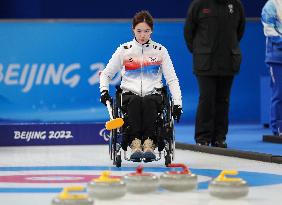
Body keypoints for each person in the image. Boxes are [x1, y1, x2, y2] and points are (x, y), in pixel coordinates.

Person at [99, 10, 182, 160]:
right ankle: (135, 143)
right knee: (135, 101)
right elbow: (106, 74)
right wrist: (104, 91)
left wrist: (177, 103)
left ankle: (150, 143)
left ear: (152, 31)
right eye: (139, 31)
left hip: (154, 94)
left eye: (146, 31)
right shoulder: (124, 50)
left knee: (149, 101)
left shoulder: (160, 51)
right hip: (130, 93)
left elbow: (172, 79)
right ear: (133, 30)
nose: (142, 35)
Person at [184, 0, 245, 148]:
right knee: (207, 99)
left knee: (223, 100)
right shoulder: (199, 4)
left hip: (228, 61)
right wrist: (200, 51)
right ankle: (202, 138)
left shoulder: (236, 5)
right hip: (205, 62)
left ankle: (219, 138)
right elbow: (188, 32)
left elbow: (239, 31)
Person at [261, 0, 282, 136]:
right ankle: (278, 128)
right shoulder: (270, 6)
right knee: (279, 93)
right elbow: (269, 31)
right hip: (277, 58)